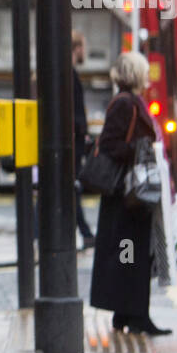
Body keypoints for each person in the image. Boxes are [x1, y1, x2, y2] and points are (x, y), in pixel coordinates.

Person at [90, 51, 171, 336]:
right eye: (145, 71)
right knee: (132, 256)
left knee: (130, 256)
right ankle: (136, 316)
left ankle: (126, 314)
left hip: (130, 196)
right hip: (129, 196)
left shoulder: (129, 101)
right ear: (135, 74)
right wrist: (142, 150)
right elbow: (111, 143)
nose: (149, 76)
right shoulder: (124, 103)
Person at [72, 31, 95, 249]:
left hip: (75, 140)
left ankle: (86, 232)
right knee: (72, 187)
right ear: (76, 48)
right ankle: (86, 232)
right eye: (82, 48)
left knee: (72, 188)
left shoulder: (70, 73)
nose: (84, 52)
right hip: (72, 142)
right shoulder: (69, 74)